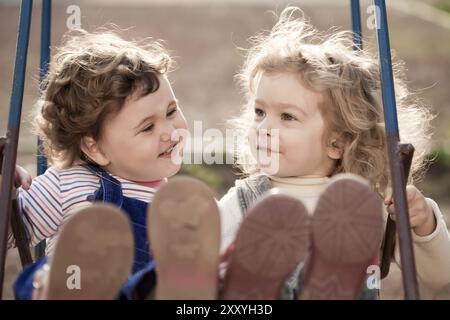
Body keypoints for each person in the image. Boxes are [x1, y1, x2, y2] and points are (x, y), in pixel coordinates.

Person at [218, 6, 450, 299]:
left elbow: (440, 277)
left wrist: (423, 222)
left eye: (287, 117)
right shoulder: (242, 203)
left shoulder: (369, 206)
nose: (264, 127)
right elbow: (196, 274)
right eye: (260, 112)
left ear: (337, 143)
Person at [6, 29, 220, 299]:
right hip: (77, 289)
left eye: (171, 111)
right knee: (42, 276)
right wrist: (5, 190)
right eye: (148, 128)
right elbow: (10, 233)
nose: (169, 132)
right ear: (94, 147)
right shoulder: (70, 184)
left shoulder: (183, 205)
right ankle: (48, 286)